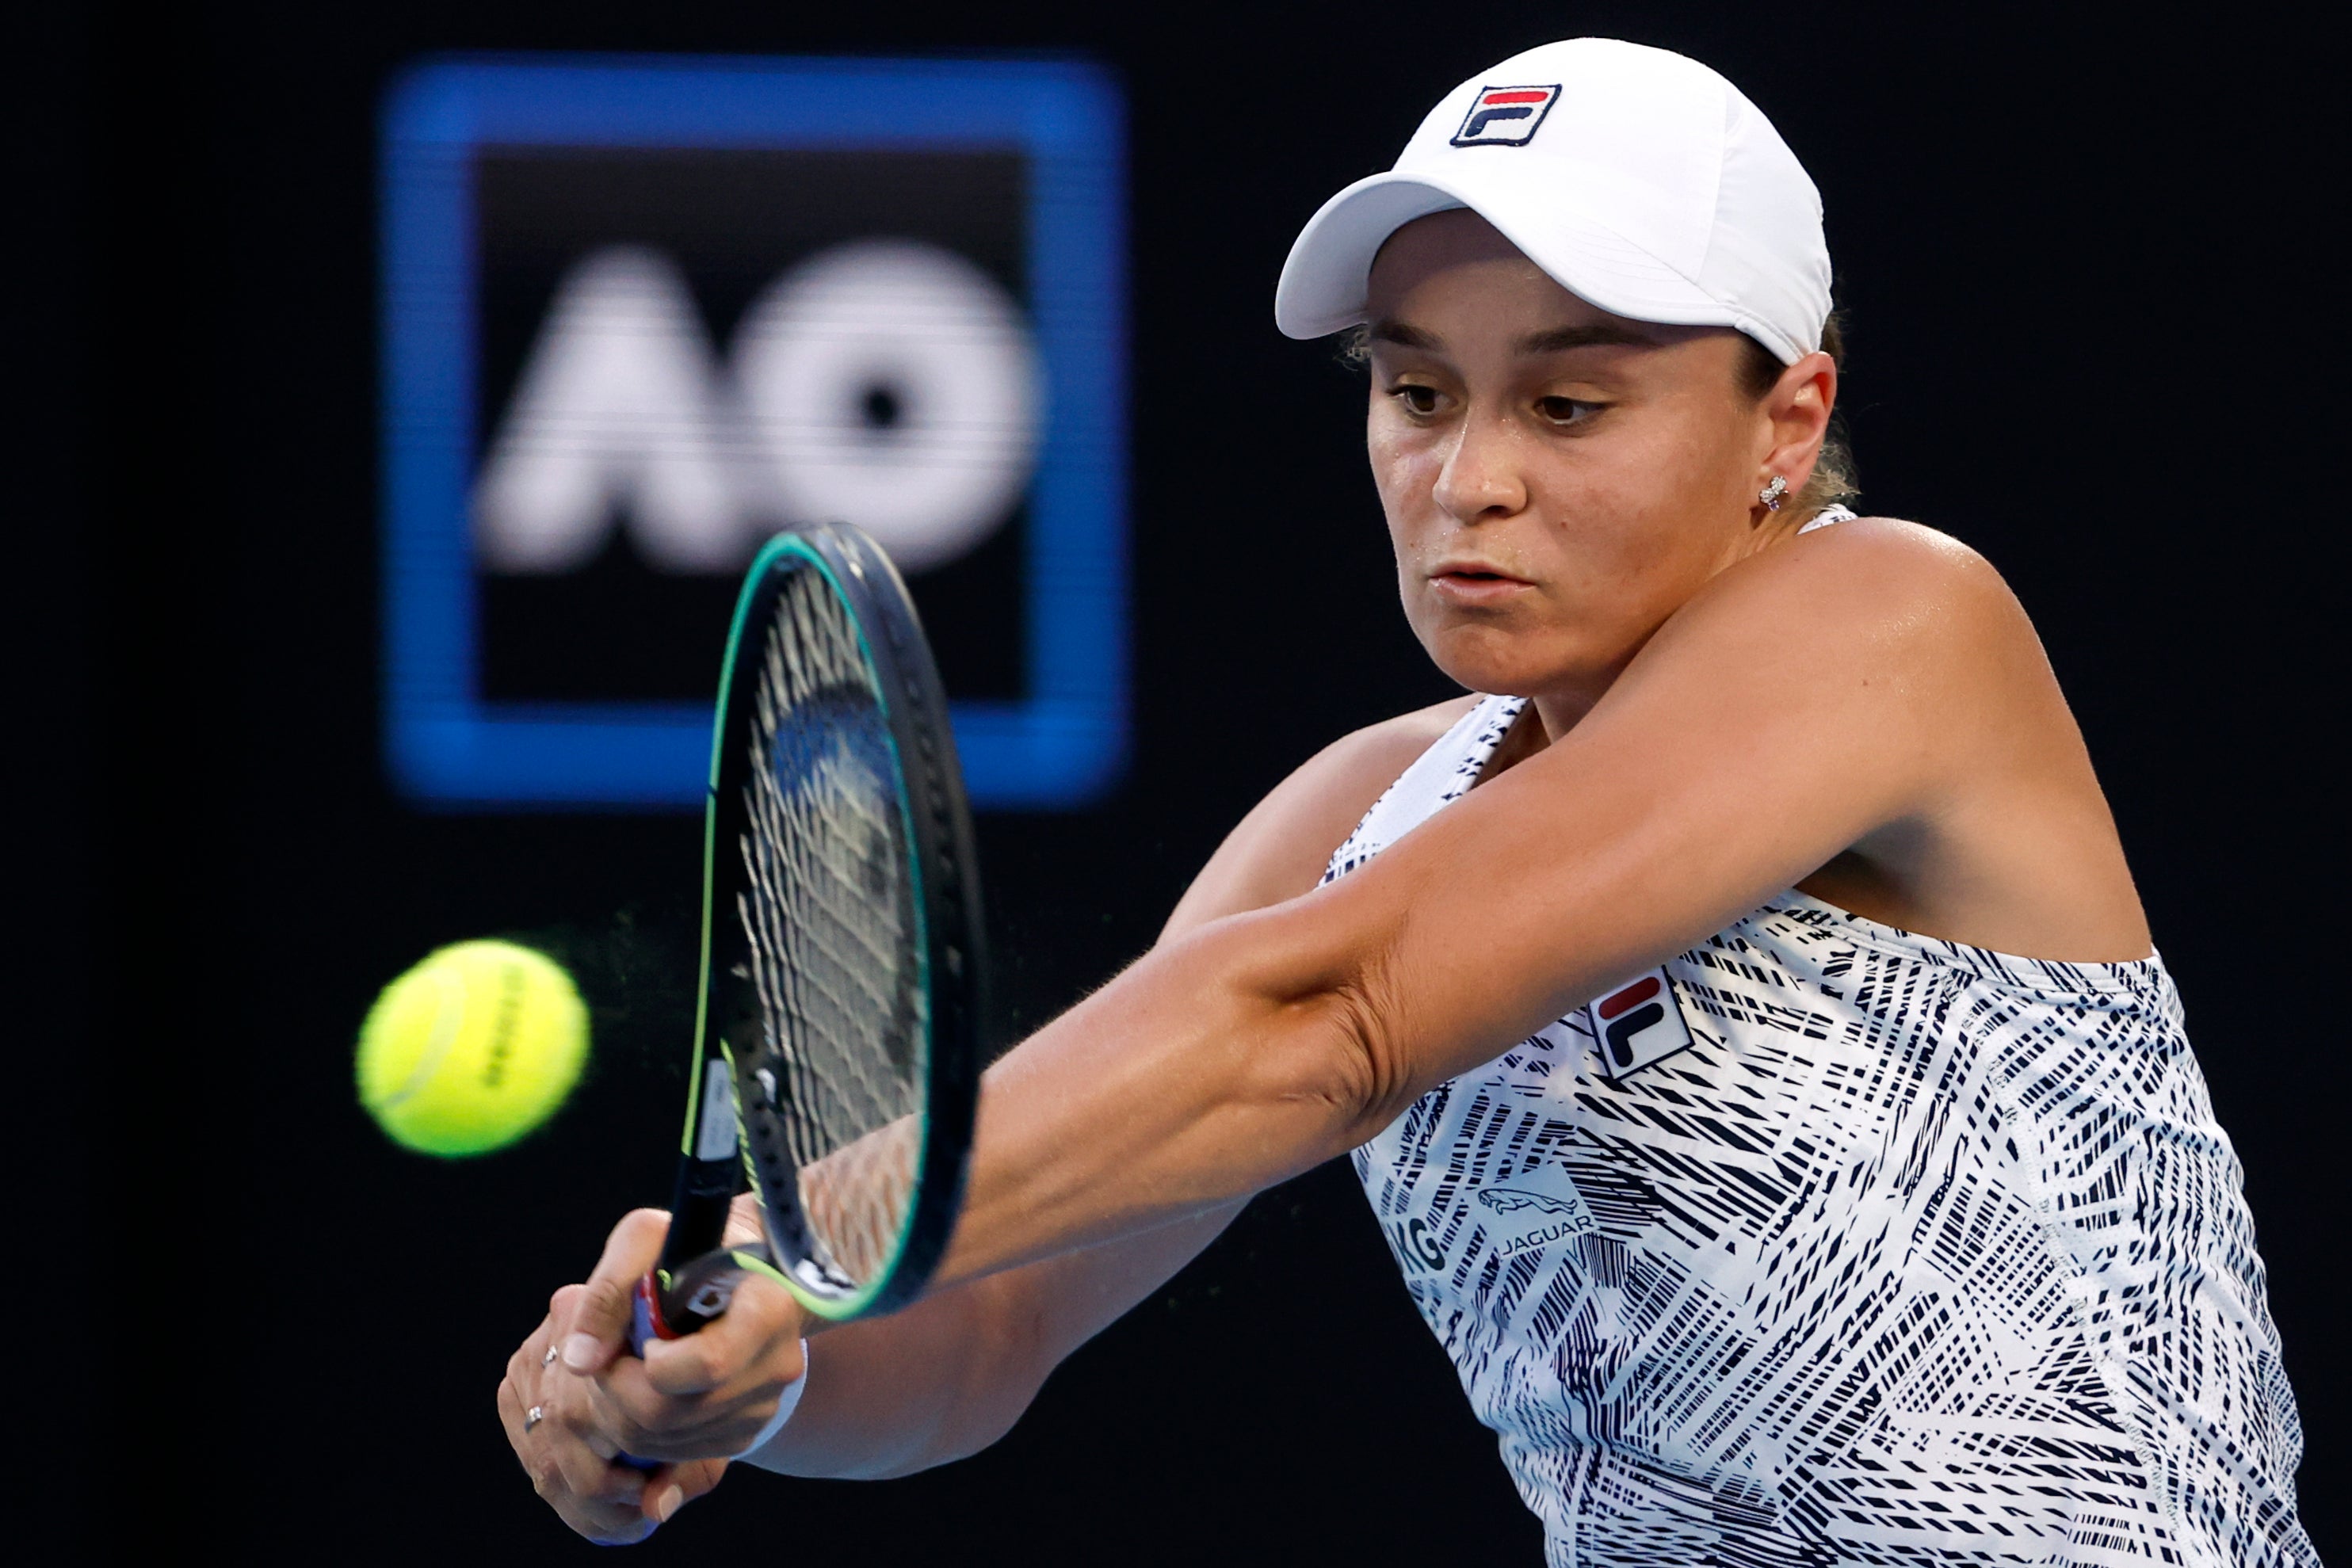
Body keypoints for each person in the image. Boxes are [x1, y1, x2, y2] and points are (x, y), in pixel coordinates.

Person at [498, 39, 2317, 1564]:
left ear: (1788, 417)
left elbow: (1328, 1020)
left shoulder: (1900, 620)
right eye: (1416, 393)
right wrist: (743, 1367)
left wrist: (798, 1238)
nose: (1467, 483)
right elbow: (983, 1327)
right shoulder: (1354, 817)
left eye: (1572, 406)